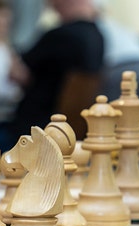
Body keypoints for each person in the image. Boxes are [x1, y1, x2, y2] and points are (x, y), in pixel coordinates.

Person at [8, 0, 104, 144]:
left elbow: (17, 74)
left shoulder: (59, 36)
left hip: (33, 134)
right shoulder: (98, 37)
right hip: (68, 135)